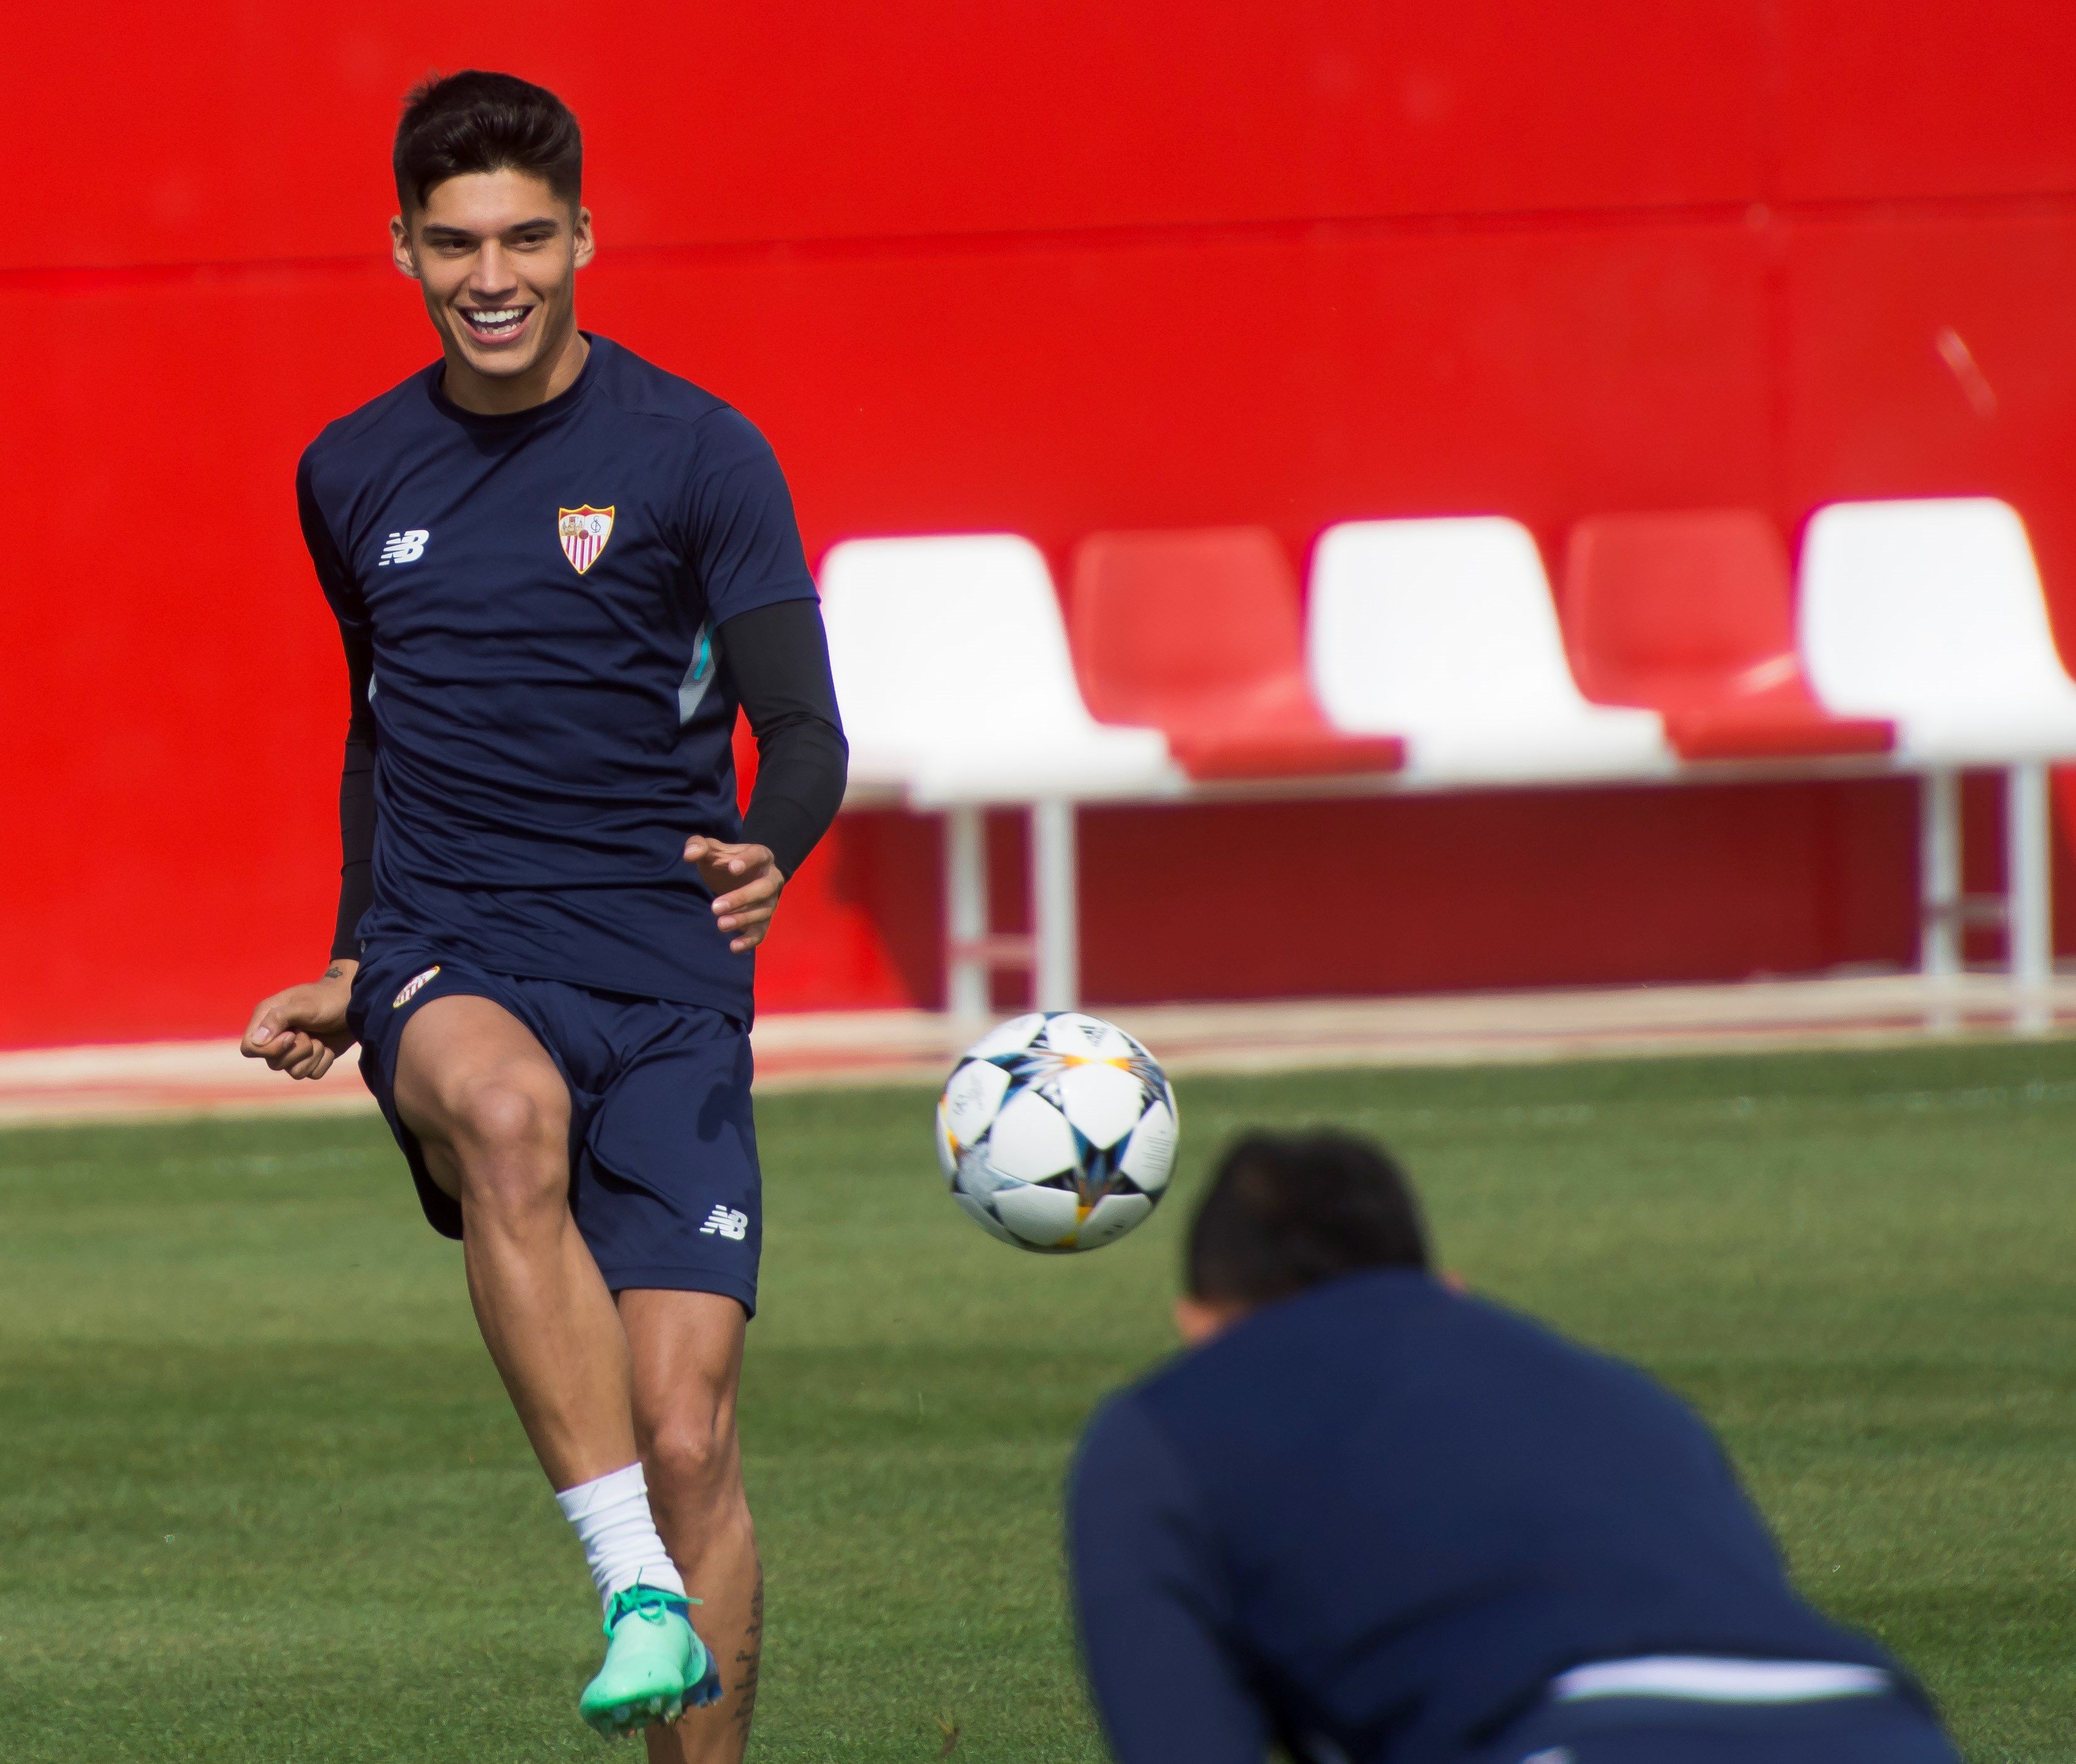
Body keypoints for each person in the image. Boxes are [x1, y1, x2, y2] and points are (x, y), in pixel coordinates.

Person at [238, 70, 846, 1757]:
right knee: (506, 1119)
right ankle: (624, 1584)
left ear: (582, 237)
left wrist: (768, 846)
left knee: (694, 1439)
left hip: (666, 982)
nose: (488, 274)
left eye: (522, 237)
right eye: (452, 243)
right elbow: (384, 724)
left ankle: (667, 1609)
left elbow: (800, 728)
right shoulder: (350, 470)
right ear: (402, 250)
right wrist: (365, 962)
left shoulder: (698, 452)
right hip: (461, 951)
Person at [1066, 1131, 1963, 1764]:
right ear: (1446, 1290)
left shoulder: (1161, 1428)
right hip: (1881, 1721)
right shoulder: (1623, 1390)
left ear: (1198, 1326)